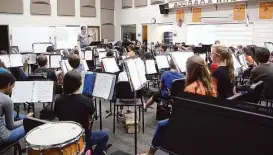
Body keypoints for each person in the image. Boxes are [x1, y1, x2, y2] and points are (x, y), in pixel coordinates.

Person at [141, 55, 217, 155]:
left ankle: (150, 153)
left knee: (161, 125)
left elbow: (184, 114)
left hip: (191, 123)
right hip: (206, 122)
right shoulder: (211, 85)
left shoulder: (191, 88)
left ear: (191, 70)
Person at [54, 71, 109, 155]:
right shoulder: (87, 101)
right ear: (80, 84)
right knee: (105, 134)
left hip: (65, 138)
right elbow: (91, 116)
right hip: (82, 138)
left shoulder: (58, 101)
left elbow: (57, 115)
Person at [0, 69, 32, 146]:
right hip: (3, 137)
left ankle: (27, 118)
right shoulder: (7, 100)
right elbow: (11, 126)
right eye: (13, 87)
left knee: (14, 113)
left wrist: (25, 117)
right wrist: (25, 120)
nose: (13, 89)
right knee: (33, 125)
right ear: (8, 85)